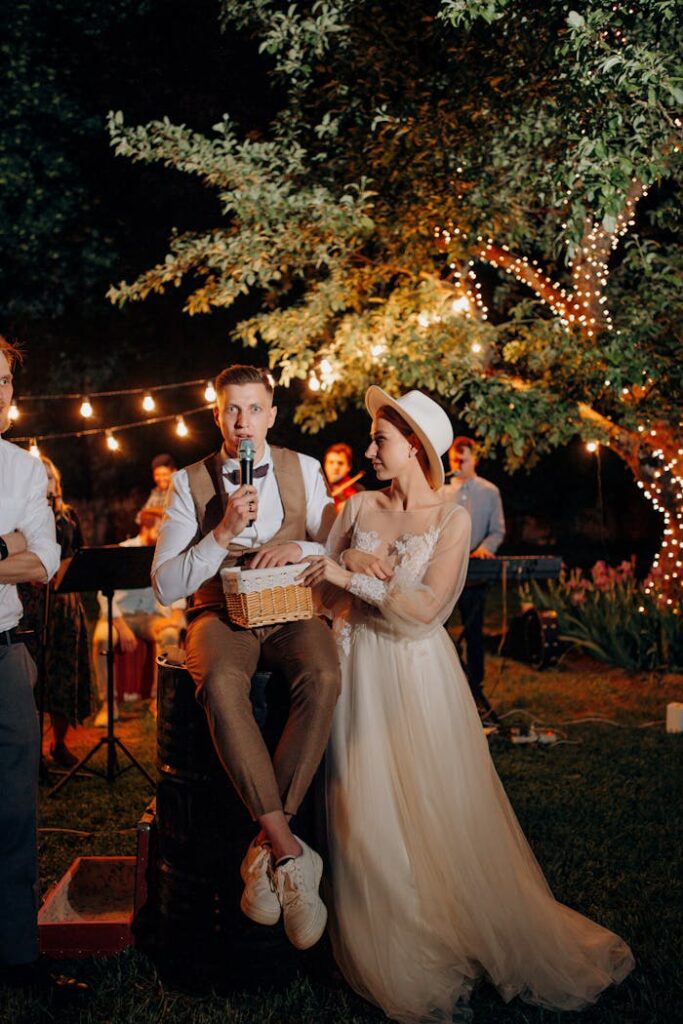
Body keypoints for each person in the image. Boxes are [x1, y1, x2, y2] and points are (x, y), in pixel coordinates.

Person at [298, 387, 634, 1024]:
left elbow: (426, 612)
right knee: (359, 811)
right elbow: (321, 595)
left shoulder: (451, 520)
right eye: (371, 438)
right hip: (354, 666)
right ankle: (393, 944)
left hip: (415, 673)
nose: (370, 449)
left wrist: (354, 575)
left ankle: (447, 928)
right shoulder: (356, 505)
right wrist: (336, 565)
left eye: (380, 440)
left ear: (417, 448)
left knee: (431, 801)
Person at [152, 364, 340, 951]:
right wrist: (221, 532)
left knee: (325, 673)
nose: (243, 422)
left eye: (254, 409)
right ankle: (289, 852)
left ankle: (264, 849)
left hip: (290, 607)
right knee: (222, 684)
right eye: (232, 410)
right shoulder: (189, 483)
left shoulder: (304, 470)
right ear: (217, 415)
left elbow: (338, 546)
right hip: (219, 613)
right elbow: (163, 584)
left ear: (272, 415)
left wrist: (299, 545)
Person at [0, 338, 87, 998]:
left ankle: (18, 957)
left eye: (3, 381)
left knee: (15, 815)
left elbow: (41, 562)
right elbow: (16, 553)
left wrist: (19, 549)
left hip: (6, 652)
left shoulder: (23, 472)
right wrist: (5, 543)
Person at [19, 456, 95, 767]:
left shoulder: (68, 516)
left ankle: (59, 743)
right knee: (35, 674)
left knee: (65, 672)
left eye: (50, 477)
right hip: (33, 605)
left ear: (57, 482)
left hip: (65, 602)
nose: (46, 482)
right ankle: (31, 747)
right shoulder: (22, 515)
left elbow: (77, 553)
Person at [92, 506, 184, 726]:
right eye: (162, 529)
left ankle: (158, 701)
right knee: (102, 639)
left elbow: (179, 586)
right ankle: (109, 704)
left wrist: (176, 616)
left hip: (151, 616)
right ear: (146, 527)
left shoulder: (167, 553)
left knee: (171, 635)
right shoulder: (123, 551)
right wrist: (121, 626)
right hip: (118, 617)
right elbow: (104, 594)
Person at [444, 436, 505, 719]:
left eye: (463, 459)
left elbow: (498, 530)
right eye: (454, 459)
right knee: (440, 631)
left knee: (474, 632)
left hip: (475, 571)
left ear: (474, 460)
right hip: (444, 571)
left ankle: (475, 687)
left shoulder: (489, 491)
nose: (457, 463)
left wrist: (484, 548)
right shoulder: (440, 491)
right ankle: (447, 687)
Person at [323, 442, 364, 513]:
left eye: (340, 463)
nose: (335, 467)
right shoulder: (320, 487)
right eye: (331, 462)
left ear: (349, 467)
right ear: (324, 465)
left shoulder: (357, 492)